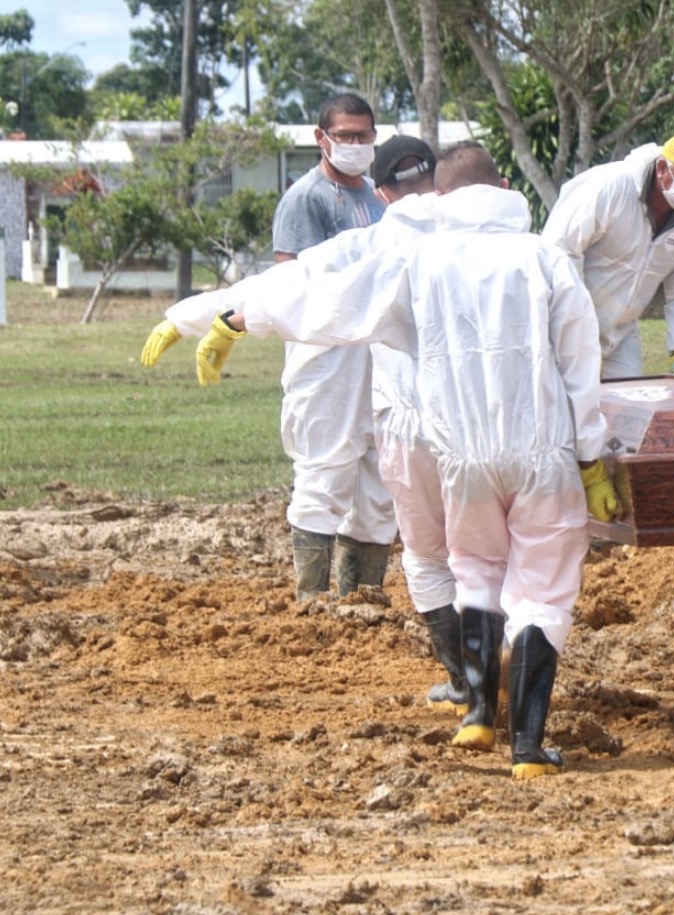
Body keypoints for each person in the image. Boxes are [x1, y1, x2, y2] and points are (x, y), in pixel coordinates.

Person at [194, 152, 617, 780]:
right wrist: (594, 461)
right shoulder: (545, 258)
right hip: (543, 453)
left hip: (461, 459)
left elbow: (330, 299)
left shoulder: (419, 262)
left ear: (439, 199)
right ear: (504, 188)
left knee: (473, 575)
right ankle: (528, 747)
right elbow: (581, 370)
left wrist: (238, 318)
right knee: (542, 596)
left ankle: (477, 713)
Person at [139, 93, 395, 602]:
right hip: (324, 361)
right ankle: (312, 602)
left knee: (380, 484)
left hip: (377, 358)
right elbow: (289, 286)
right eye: (345, 136)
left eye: (365, 135)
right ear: (321, 138)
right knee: (323, 473)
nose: (357, 144)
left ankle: (364, 601)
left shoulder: (376, 197)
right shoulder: (306, 200)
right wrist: (199, 318)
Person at [542, 130, 674, 379]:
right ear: (662, 168)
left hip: (621, 335)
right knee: (568, 411)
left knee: (628, 409)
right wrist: (575, 324)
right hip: (567, 329)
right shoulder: (610, 187)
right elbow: (559, 251)